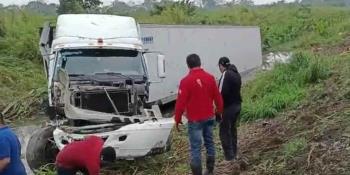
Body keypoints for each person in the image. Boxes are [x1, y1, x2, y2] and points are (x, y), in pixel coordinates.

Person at [175, 54, 223, 175]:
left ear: (188, 65)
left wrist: (177, 119)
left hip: (194, 120)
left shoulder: (185, 81)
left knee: (195, 148)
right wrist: (219, 112)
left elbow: (180, 103)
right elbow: (218, 98)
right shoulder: (210, 78)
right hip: (209, 117)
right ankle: (210, 170)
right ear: (200, 63)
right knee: (209, 143)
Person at [217, 57, 242, 162]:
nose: (219, 69)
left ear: (221, 65)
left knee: (224, 132)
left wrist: (218, 111)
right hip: (237, 105)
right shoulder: (236, 73)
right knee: (232, 130)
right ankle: (234, 154)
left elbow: (220, 93)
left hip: (228, 108)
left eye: (219, 66)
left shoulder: (225, 74)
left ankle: (229, 158)